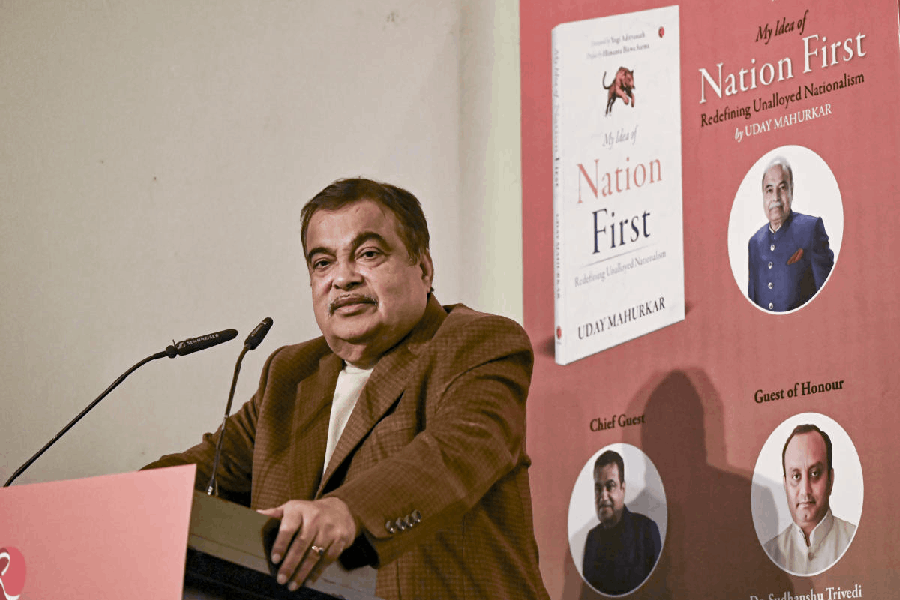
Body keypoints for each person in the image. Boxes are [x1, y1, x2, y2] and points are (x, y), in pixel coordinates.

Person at [145, 178, 550, 600]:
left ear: (424, 269)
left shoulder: (476, 342)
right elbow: (205, 470)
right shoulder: (291, 374)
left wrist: (347, 511)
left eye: (368, 254)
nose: (342, 278)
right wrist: (107, 505)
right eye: (322, 263)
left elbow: (458, 451)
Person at [764, 424, 856, 575]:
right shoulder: (768, 554)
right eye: (796, 476)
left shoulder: (857, 541)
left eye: (815, 474)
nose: (805, 490)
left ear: (830, 480)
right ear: (785, 485)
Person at [747, 157, 834, 312]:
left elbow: (830, 297)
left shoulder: (811, 229)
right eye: (769, 190)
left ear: (791, 191)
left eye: (782, 188)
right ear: (763, 195)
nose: (775, 197)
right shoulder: (754, 243)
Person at [582, 450, 661, 595]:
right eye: (598, 488)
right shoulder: (592, 539)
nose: (603, 496)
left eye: (610, 486)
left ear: (622, 489)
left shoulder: (646, 532)